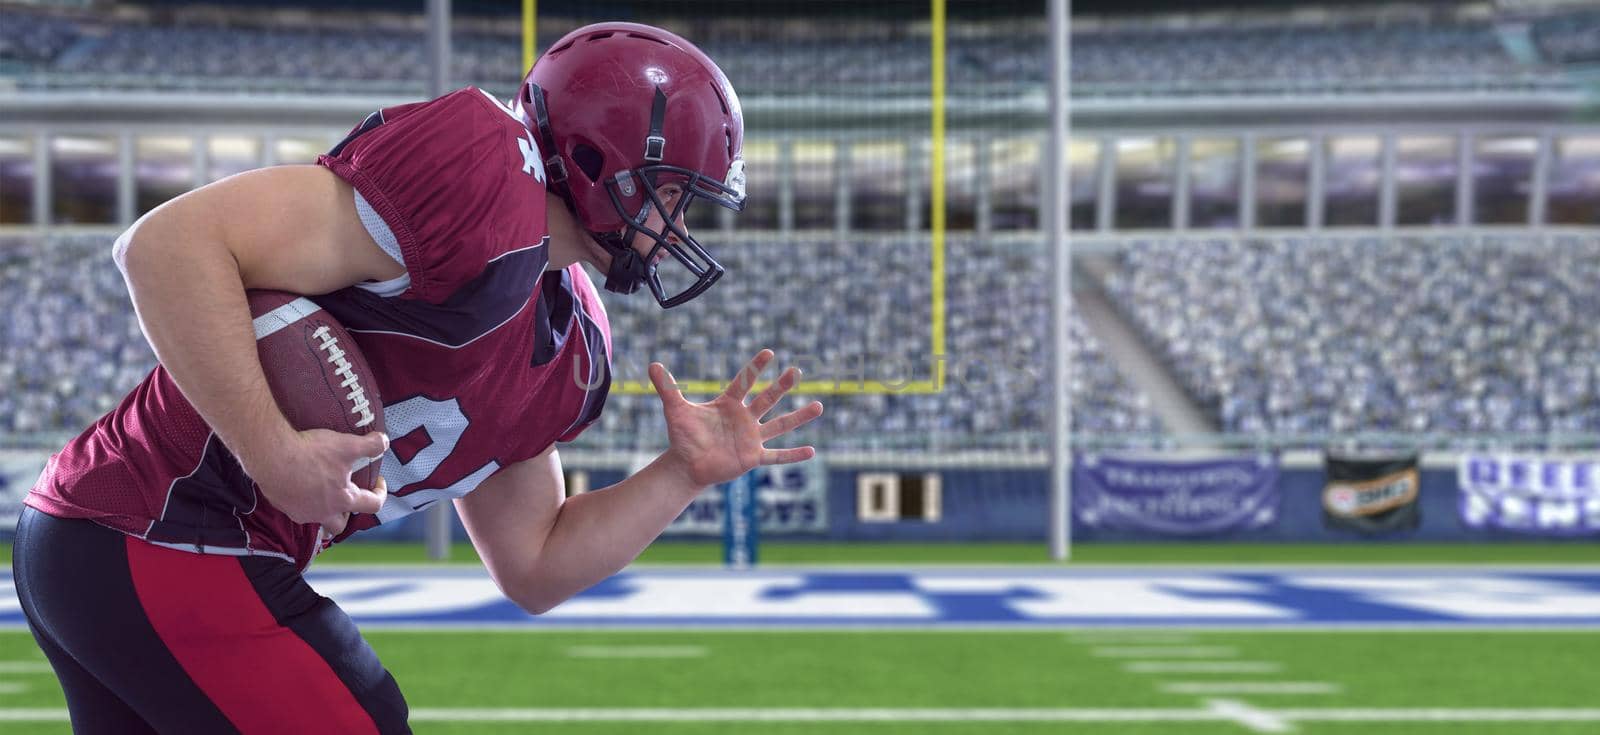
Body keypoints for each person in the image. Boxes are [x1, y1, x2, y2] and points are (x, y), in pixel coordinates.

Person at [12, 22, 821, 734]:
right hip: (160, 524)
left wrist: (682, 474)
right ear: (594, 153)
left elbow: (533, 565)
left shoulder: (569, 342)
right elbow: (164, 246)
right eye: (671, 191)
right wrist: (274, 454)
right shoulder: (483, 180)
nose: (676, 224)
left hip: (123, 545)